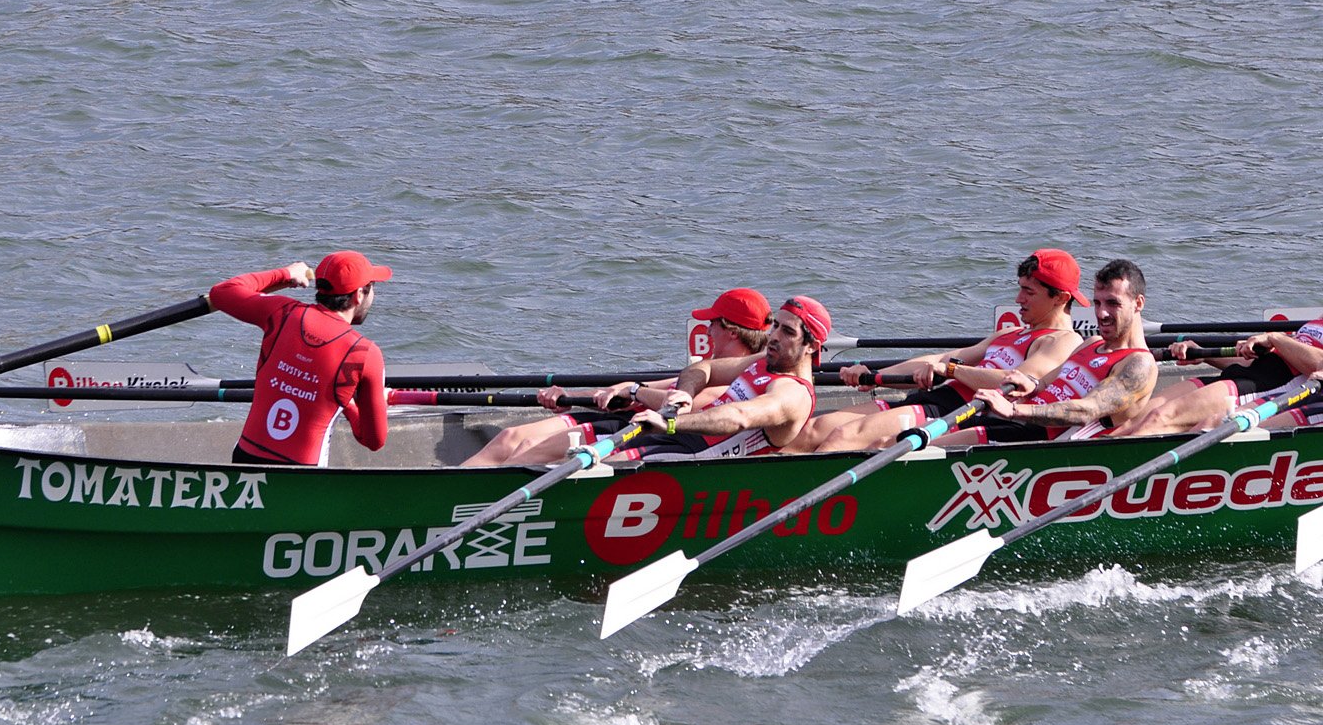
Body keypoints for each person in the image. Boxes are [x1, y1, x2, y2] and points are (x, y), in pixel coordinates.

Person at [796, 249, 1086, 453]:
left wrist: (951, 371)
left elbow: (1014, 384)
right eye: (1020, 288)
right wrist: (872, 376)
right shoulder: (1009, 333)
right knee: (814, 430)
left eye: (1029, 292)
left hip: (960, 413)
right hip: (935, 396)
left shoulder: (1063, 341)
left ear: (1060, 297)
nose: (1018, 298)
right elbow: (936, 360)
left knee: (845, 437)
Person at [462, 288, 772, 466]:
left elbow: (680, 405)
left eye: (713, 323)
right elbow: (641, 390)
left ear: (732, 331)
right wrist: (568, 397)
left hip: (648, 434)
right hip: (625, 420)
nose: (706, 329)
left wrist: (634, 391)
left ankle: (468, 513)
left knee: (530, 450)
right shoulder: (709, 366)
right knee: (509, 438)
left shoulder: (737, 378)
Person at [933, 259, 1157, 445]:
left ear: (1138, 303)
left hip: (1040, 440)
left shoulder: (1139, 364)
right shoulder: (1092, 342)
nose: (1102, 313)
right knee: (918, 434)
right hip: (1015, 422)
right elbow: (1042, 385)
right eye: (1097, 303)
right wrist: (1028, 383)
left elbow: (1087, 411)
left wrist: (1013, 410)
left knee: (924, 449)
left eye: (1112, 303)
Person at [209, 250, 392, 466]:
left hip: (245, 460)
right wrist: (350, 403)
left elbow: (221, 293)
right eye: (373, 288)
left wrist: (285, 274)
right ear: (359, 295)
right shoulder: (366, 353)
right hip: (304, 477)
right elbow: (373, 440)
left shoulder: (282, 313)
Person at [609, 296, 831, 461]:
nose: (774, 336)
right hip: (684, 434)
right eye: (776, 326)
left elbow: (739, 416)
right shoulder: (767, 359)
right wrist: (685, 394)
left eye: (788, 332)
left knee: (604, 466)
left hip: (701, 458)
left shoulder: (794, 394)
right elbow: (704, 368)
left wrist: (670, 423)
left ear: (811, 346)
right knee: (594, 452)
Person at [1108, 314, 1323, 437]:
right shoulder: (1318, 319)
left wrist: (1276, 338)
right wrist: (1203, 354)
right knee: (1133, 420)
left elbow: (1318, 364)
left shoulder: (1280, 337)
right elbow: (1257, 360)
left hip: (1268, 385)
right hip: (1243, 372)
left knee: (1159, 420)